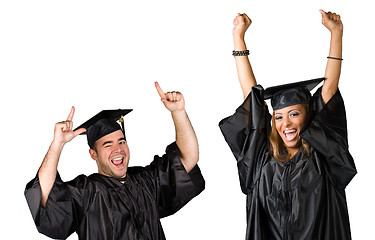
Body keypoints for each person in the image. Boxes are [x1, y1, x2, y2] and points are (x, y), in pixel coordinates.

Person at [219, 10, 356, 239]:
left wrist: (336, 33)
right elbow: (251, 96)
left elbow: (329, 90)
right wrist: (238, 38)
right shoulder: (261, 158)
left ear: (309, 115)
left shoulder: (324, 156)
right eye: (279, 116)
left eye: (294, 114)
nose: (286, 123)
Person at [25, 82, 205, 240]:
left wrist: (178, 112)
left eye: (121, 141)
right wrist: (57, 144)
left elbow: (188, 158)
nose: (117, 149)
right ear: (93, 154)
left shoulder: (146, 181)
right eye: (107, 145)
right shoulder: (87, 192)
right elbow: (46, 195)